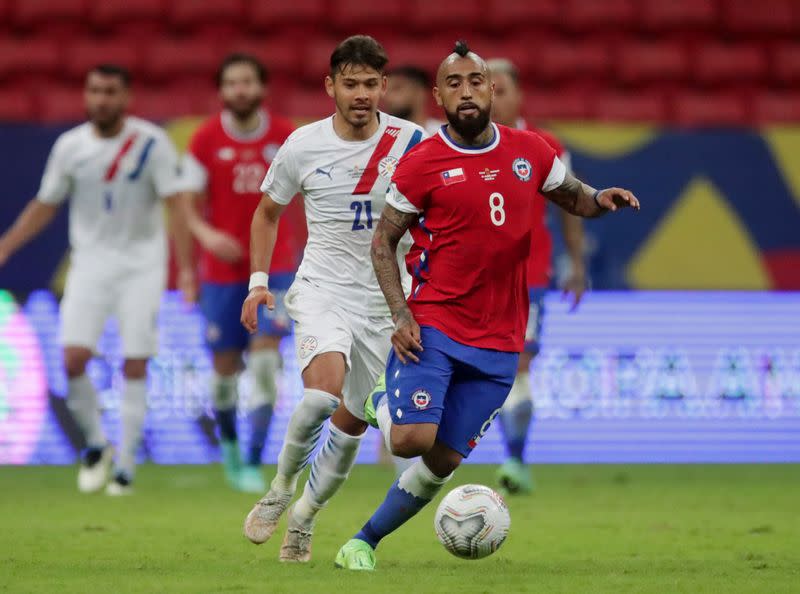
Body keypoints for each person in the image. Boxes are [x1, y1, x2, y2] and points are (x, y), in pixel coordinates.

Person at [334, 41, 639, 570]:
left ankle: (363, 541)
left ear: (492, 90)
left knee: (442, 461)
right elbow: (382, 241)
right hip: (435, 322)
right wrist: (401, 313)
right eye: (453, 84)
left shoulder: (532, 150)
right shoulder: (423, 161)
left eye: (475, 81)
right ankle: (380, 399)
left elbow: (572, 195)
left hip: (501, 336)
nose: (466, 92)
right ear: (439, 96)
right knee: (409, 441)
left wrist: (599, 200)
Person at [239, 35, 424, 562]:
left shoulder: (413, 142)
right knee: (321, 395)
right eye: (351, 83)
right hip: (323, 288)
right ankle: (279, 491)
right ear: (331, 86)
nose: (361, 93)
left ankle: (304, 519)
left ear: (384, 87)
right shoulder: (302, 145)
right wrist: (257, 283)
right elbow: (267, 213)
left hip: (387, 302)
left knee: (353, 421)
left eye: (371, 84)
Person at [0, 65, 193, 495]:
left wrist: (187, 271)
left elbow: (176, 204)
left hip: (142, 266)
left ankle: (125, 462)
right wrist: (8, 243)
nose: (101, 99)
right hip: (89, 265)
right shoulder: (70, 147)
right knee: (72, 359)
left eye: (110, 92)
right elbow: (45, 203)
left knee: (135, 360)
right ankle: (94, 445)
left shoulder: (152, 143)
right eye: (94, 91)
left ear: (126, 98)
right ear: (86, 96)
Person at [180, 53, 301, 493]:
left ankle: (252, 459)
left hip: (276, 268)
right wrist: (205, 235)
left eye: (248, 81)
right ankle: (230, 452)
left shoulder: (287, 136)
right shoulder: (205, 139)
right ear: (222, 91)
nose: (241, 90)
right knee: (225, 369)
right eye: (232, 83)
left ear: (262, 88)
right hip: (221, 273)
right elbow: (185, 204)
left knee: (267, 362)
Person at [487, 57, 587, 495]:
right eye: (483, 88)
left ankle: (514, 458)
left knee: (518, 364)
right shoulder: (456, 143)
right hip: (468, 277)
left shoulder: (545, 144)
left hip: (527, 275)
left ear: (520, 95)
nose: (492, 98)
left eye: (501, 89)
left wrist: (577, 263)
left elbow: (573, 205)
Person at [383, 65, 443, 135]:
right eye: (386, 91)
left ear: (420, 92)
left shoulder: (445, 135)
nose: (388, 97)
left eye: (397, 89)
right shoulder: (378, 137)